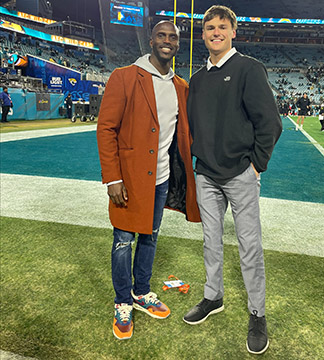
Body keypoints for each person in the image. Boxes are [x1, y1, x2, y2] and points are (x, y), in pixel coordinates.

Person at [183, 5, 282, 355]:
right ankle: (214, 296)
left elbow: (270, 123)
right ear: (203, 33)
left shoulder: (249, 69)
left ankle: (258, 313)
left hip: (240, 174)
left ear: (233, 32)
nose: (215, 32)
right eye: (209, 27)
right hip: (207, 175)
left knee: (249, 247)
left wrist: (255, 166)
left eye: (222, 27)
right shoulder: (196, 79)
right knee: (211, 241)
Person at [96, 21, 200, 341]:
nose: (167, 41)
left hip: (162, 177)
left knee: (150, 237)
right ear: (151, 40)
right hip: (128, 179)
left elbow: (186, 134)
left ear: (177, 45)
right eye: (162, 36)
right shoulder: (125, 76)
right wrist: (113, 177)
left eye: (173, 37)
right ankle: (123, 300)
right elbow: (106, 129)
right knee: (124, 241)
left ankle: (141, 293)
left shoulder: (181, 86)